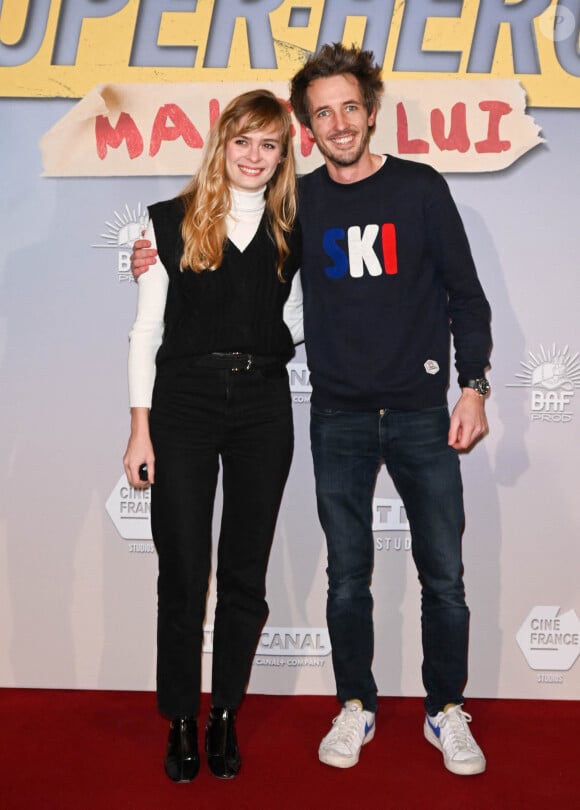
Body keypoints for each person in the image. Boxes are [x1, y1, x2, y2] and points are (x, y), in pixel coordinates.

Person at [131, 43, 492, 778]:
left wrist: (475, 384)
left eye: (348, 108)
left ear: (369, 111)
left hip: (403, 410)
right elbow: (176, 294)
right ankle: (337, 707)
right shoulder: (269, 205)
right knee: (333, 577)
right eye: (321, 113)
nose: (337, 123)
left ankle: (442, 709)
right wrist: (147, 259)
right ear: (310, 125)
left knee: (442, 577)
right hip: (318, 415)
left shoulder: (391, 194)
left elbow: (460, 295)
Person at [123, 89, 302, 784]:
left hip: (264, 404)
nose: (255, 157)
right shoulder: (170, 223)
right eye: (244, 142)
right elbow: (146, 333)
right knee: (183, 574)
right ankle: (178, 718)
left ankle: (224, 712)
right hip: (183, 405)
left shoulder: (295, 225)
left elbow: (303, 318)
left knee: (244, 576)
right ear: (221, 144)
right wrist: (140, 429)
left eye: (270, 146)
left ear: (283, 156)